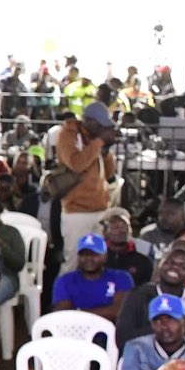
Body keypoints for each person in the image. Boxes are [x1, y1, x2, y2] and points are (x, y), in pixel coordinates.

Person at [111, 242, 185, 349]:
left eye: (183, 266)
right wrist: (166, 327)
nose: (175, 268)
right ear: (159, 265)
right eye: (170, 263)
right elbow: (122, 339)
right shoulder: (137, 296)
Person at [52, 101, 118, 272]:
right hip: (77, 212)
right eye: (101, 126)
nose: (104, 130)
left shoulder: (96, 141)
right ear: (89, 122)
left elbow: (110, 173)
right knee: (73, 262)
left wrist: (106, 151)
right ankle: (62, 298)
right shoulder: (68, 134)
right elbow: (76, 163)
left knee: (98, 264)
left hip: (101, 209)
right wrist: (99, 142)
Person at [49, 233, 132, 322]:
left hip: (113, 333)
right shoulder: (64, 281)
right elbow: (66, 315)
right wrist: (104, 311)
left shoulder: (121, 277)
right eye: (83, 254)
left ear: (105, 256)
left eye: (93, 254)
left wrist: (79, 312)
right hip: (75, 332)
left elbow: (119, 312)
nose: (88, 258)